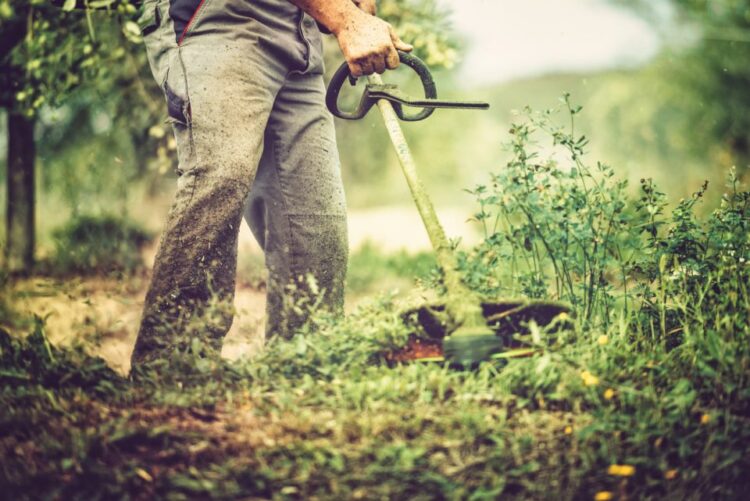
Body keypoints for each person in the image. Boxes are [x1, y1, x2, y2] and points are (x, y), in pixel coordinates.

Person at [129, 0, 412, 370]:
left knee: (315, 217)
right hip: (215, 18)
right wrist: (345, 18)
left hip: (298, 31)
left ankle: (306, 366)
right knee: (221, 174)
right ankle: (172, 365)